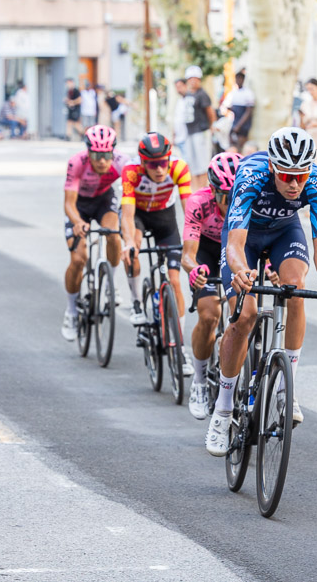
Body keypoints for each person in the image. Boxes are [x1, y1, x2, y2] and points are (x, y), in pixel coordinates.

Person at [205, 127, 317, 454]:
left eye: (301, 175)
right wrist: (242, 270)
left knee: (295, 289)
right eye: (286, 175)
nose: (295, 183)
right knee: (245, 316)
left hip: (285, 233)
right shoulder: (251, 174)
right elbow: (235, 243)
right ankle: (224, 408)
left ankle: (286, 386)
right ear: (272, 167)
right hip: (248, 237)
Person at [182, 151, 242, 420]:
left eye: (237, 196)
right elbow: (187, 254)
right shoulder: (198, 201)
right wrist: (194, 270)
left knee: (242, 313)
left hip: (236, 248)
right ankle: (199, 380)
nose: (233, 204)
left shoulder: (249, 201)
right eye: (227, 198)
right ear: (214, 190)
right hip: (206, 251)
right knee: (208, 315)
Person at [120, 132, 193, 336]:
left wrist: (194, 239)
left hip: (164, 216)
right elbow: (127, 215)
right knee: (133, 246)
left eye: (162, 162)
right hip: (138, 215)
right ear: (143, 162)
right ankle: (136, 301)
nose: (159, 169)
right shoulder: (131, 171)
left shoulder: (179, 168)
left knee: (175, 280)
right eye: (152, 164)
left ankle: (179, 345)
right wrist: (128, 243)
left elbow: (189, 209)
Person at [61, 126, 126, 341]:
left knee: (114, 235)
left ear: (113, 153)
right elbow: (69, 203)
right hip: (79, 205)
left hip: (103, 200)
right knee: (79, 259)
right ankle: (71, 311)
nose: (102, 161)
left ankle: (110, 283)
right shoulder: (77, 162)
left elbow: (130, 194)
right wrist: (78, 222)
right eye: (97, 155)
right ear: (88, 152)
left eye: (106, 155)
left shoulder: (121, 162)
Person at [182, 65, 216, 191]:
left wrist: (211, 126)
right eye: (190, 79)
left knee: (202, 163)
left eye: (195, 79)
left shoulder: (202, 95)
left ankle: (202, 188)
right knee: (192, 163)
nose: (193, 81)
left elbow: (210, 112)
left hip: (201, 132)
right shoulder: (188, 94)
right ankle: (195, 188)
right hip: (190, 132)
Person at [225, 70, 255, 153]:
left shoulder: (248, 93)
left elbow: (248, 112)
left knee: (241, 144)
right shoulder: (234, 93)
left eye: (240, 78)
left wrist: (239, 125)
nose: (238, 80)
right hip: (235, 121)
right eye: (237, 78)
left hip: (243, 124)